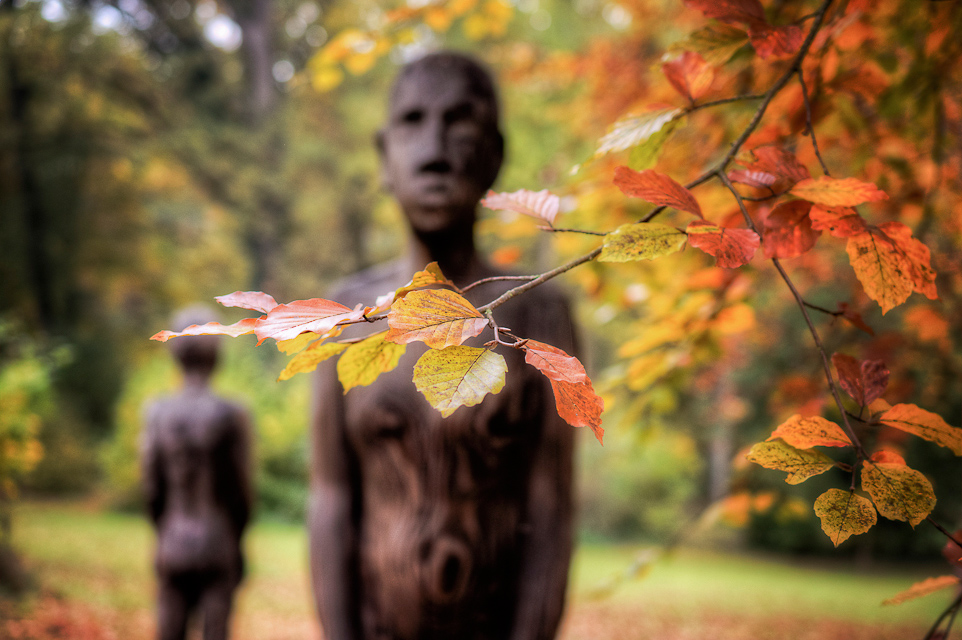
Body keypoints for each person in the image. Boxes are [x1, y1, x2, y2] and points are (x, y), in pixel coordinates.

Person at [309, 52, 577, 640]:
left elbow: (550, 506)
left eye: (460, 121)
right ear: (383, 156)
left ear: (495, 155)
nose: (433, 149)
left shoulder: (538, 312)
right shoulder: (349, 314)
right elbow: (331, 498)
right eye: (412, 121)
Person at [142, 307, 253, 640]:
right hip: (218, 540)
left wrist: (162, 530)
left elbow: (151, 487)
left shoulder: (157, 412)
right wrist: (238, 538)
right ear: (217, 354)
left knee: (169, 629)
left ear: (174, 354)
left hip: (173, 540)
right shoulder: (232, 413)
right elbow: (241, 491)